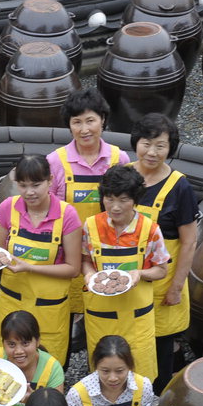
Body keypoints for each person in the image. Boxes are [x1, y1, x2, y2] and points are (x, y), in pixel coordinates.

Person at [130, 113, 199, 395]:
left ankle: (156, 402)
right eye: (147, 143)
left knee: (159, 349)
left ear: (171, 149)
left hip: (163, 284)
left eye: (161, 145)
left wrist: (177, 286)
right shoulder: (124, 175)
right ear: (136, 143)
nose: (152, 152)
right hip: (128, 280)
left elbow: (190, 241)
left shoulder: (179, 186)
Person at [47, 88, 130, 315]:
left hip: (108, 250)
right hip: (69, 253)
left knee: (106, 310)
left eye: (90, 120)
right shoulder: (55, 161)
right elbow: (50, 211)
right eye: (77, 122)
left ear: (102, 120)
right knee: (68, 310)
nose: (84, 129)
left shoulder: (118, 158)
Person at [82, 165, 169, 381]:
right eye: (109, 199)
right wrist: (88, 275)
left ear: (135, 199)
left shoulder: (150, 230)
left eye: (123, 199)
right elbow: (85, 260)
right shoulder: (91, 226)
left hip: (137, 319)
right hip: (100, 316)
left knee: (140, 376)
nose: (115, 207)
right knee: (103, 376)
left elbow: (161, 270)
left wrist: (140, 273)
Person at [0, 155, 82, 366]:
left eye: (36, 184)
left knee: (48, 365)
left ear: (50, 180)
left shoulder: (67, 215)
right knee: (11, 363)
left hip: (49, 306)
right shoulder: (7, 207)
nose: (29, 192)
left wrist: (30, 267)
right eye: (23, 185)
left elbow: (73, 268)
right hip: (13, 300)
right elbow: (0, 253)